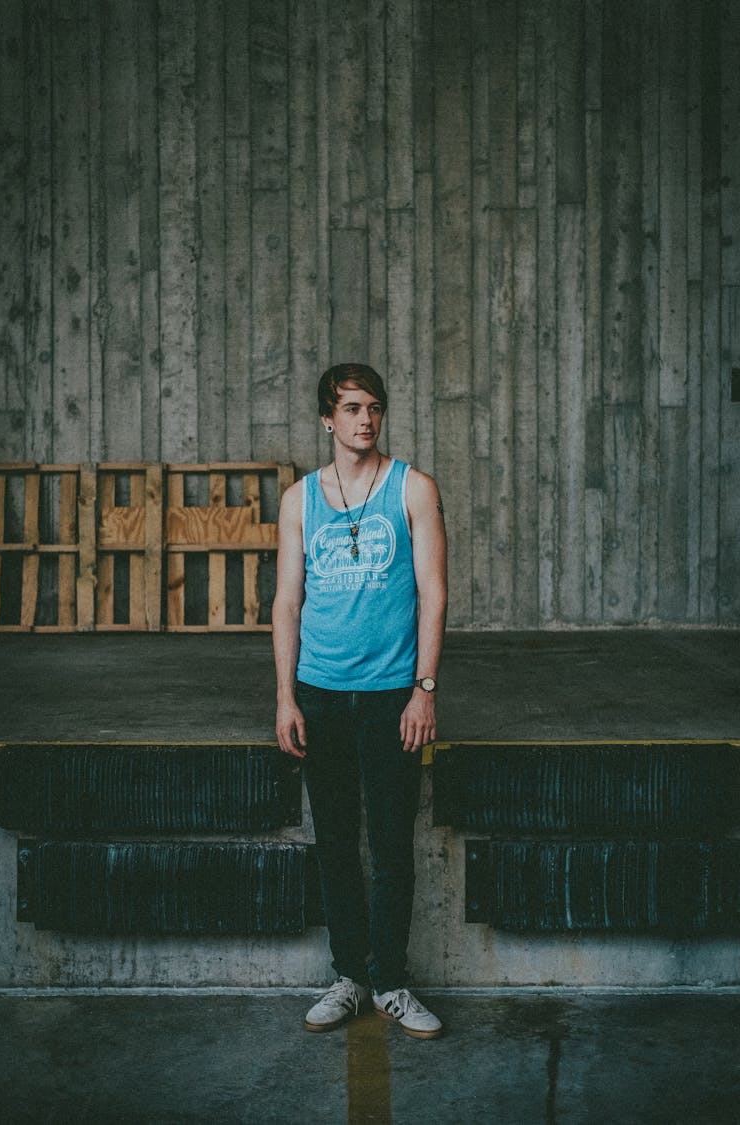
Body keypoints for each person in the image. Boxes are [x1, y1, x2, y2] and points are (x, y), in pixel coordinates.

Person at [272, 362, 448, 1040]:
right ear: (327, 418)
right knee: (337, 841)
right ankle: (348, 975)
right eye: (350, 408)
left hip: (389, 698)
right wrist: (286, 696)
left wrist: (423, 689)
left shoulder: (412, 487)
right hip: (319, 692)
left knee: (393, 845)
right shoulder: (300, 500)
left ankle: (391, 981)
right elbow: (288, 601)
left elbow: (433, 592)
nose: (364, 419)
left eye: (372, 407)